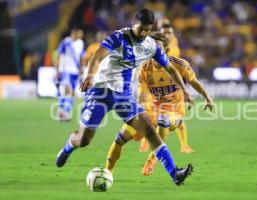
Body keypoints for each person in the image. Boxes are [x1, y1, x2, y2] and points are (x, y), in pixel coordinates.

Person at [56, 8, 193, 186]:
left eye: (147, 29)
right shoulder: (119, 37)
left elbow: (171, 69)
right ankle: (69, 146)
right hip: (100, 91)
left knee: (150, 131)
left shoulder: (151, 45)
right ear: (133, 24)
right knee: (84, 140)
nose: (144, 33)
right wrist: (89, 75)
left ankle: (175, 173)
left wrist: (186, 91)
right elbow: (97, 57)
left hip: (124, 96)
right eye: (141, 28)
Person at [105, 32, 213, 176]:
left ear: (166, 50)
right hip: (152, 111)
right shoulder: (145, 69)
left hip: (174, 112)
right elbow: (143, 95)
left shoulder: (180, 65)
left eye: (159, 48)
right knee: (121, 137)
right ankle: (106, 172)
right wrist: (137, 114)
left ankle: (152, 160)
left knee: (164, 120)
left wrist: (207, 98)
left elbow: (194, 82)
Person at [139, 23, 193, 153]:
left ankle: (184, 145)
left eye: (169, 33)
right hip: (154, 85)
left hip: (170, 87)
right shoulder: (155, 46)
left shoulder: (174, 48)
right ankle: (145, 142)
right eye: (165, 32)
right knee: (150, 116)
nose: (167, 35)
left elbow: (175, 68)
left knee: (176, 118)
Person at [56, 27, 85, 121]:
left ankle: (63, 111)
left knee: (71, 92)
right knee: (67, 90)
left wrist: (81, 69)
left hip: (75, 72)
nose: (80, 35)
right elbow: (59, 55)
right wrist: (57, 69)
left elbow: (81, 57)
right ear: (74, 33)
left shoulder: (80, 43)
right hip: (66, 71)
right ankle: (64, 112)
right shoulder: (66, 42)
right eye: (79, 33)